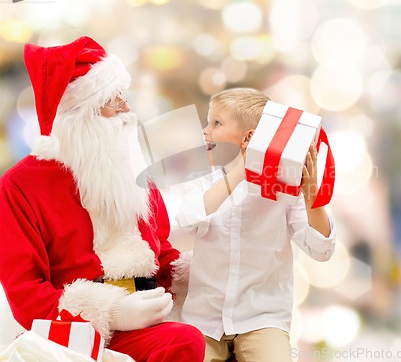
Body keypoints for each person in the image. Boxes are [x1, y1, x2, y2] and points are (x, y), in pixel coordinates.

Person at [0, 36, 205, 362]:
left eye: (124, 97)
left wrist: (203, 272)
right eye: (112, 100)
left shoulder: (131, 171)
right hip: (75, 336)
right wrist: (112, 312)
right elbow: (26, 294)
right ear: (79, 115)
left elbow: (160, 252)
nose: (127, 110)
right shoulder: (20, 185)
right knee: (184, 342)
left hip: (151, 316)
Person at [175, 88, 336, 362]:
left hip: (262, 318)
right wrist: (240, 171)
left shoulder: (285, 188)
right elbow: (187, 221)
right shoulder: (203, 178)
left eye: (216, 123)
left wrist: (312, 197)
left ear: (249, 137)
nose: (205, 131)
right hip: (204, 319)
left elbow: (322, 250)